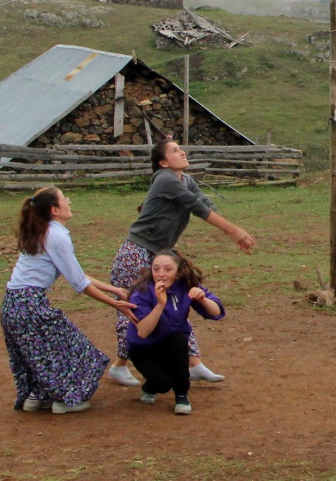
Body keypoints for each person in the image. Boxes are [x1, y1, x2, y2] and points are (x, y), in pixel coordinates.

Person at [107, 138, 254, 389]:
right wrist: (232, 231)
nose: (182, 152)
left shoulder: (186, 180)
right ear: (163, 162)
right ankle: (120, 366)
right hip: (137, 253)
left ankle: (193, 364)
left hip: (159, 256)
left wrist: (230, 226)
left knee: (176, 303)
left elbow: (205, 204)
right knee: (134, 309)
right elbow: (195, 207)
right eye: (175, 151)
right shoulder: (165, 179)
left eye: (181, 148)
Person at [3, 186, 137, 414]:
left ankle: (37, 397)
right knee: (78, 350)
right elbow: (79, 284)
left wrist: (115, 289)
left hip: (12, 306)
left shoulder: (42, 231)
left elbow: (76, 274)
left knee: (42, 354)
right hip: (30, 306)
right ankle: (66, 401)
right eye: (65, 199)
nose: (69, 201)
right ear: (55, 210)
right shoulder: (57, 236)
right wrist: (115, 303)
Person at [122, 249, 226, 415]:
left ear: (178, 272)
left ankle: (182, 395)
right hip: (144, 349)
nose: (161, 274)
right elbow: (142, 332)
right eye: (156, 269)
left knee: (178, 339)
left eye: (167, 269)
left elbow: (216, 312)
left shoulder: (185, 286)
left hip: (171, 345)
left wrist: (202, 299)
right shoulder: (142, 292)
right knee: (162, 383)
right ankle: (150, 387)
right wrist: (160, 304)